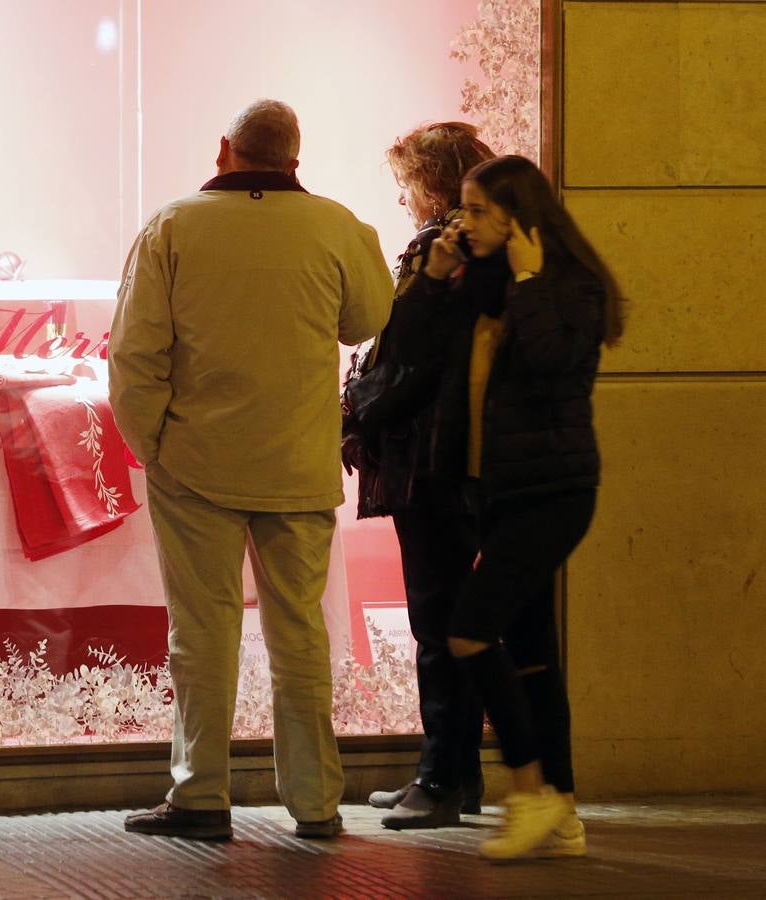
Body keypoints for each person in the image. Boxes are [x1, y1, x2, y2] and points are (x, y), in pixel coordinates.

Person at [109, 100, 393, 841]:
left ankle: (200, 794)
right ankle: (315, 802)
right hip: (297, 463)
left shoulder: (172, 227)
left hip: (196, 463)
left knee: (200, 632)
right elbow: (364, 321)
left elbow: (135, 352)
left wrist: (154, 446)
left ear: (224, 149)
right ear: (295, 159)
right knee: (300, 632)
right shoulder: (336, 226)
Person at [388, 154, 625, 859]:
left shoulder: (567, 285)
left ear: (519, 218)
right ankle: (565, 810)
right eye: (463, 207)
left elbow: (553, 361)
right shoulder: (472, 282)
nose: (467, 222)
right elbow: (405, 358)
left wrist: (525, 280)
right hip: (488, 491)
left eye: (482, 210)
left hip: (552, 492)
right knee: (530, 658)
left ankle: (530, 793)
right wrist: (430, 283)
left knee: (467, 632)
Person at [342, 122, 494, 829]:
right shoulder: (496, 247)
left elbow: (405, 350)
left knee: (437, 620)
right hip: (466, 459)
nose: (401, 197)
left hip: (430, 459)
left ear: (429, 181)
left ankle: (440, 778)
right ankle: (456, 774)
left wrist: (359, 411)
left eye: (405, 182)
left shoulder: (441, 250)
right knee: (456, 618)